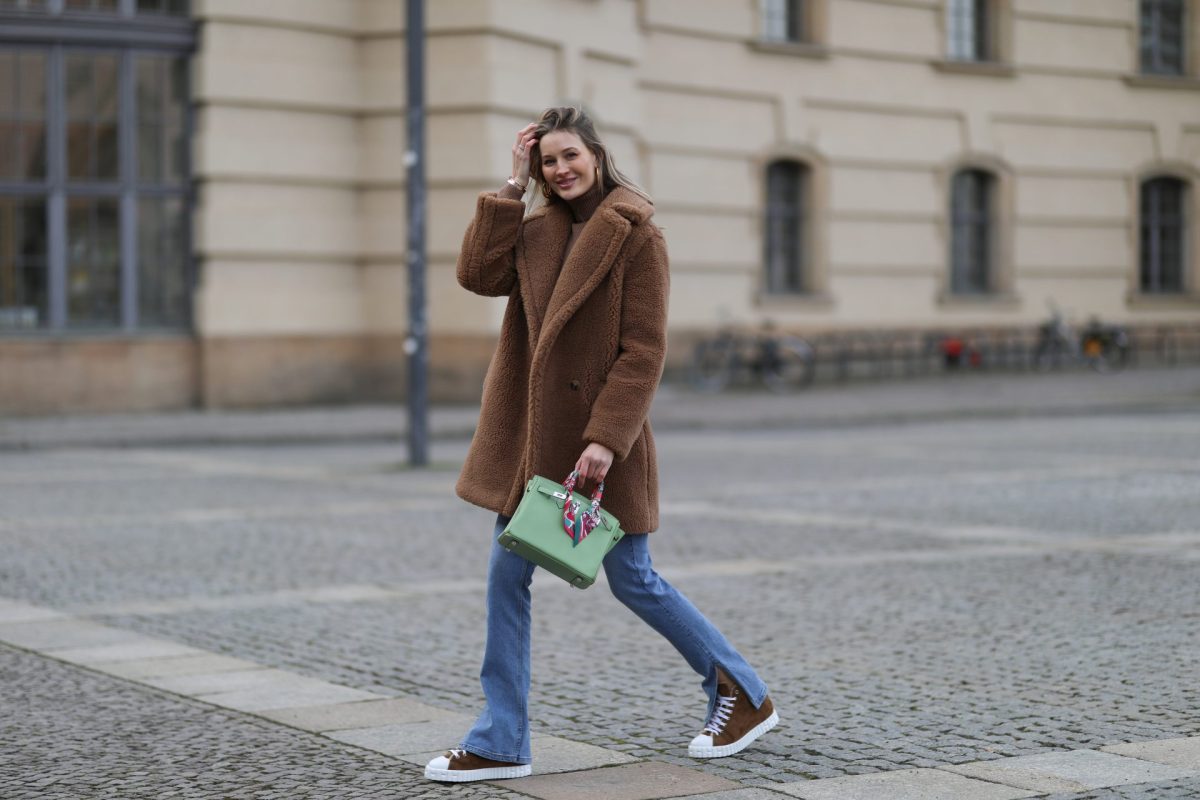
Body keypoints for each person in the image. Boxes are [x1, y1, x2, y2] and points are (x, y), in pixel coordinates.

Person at [424, 106, 778, 783]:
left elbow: (644, 351)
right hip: (537, 447)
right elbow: (476, 274)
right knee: (507, 579)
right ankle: (501, 738)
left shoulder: (637, 235)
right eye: (547, 160)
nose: (559, 170)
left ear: (596, 155)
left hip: (597, 445)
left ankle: (744, 693)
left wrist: (606, 441)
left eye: (569, 157)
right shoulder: (534, 232)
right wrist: (508, 187)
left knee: (634, 580)